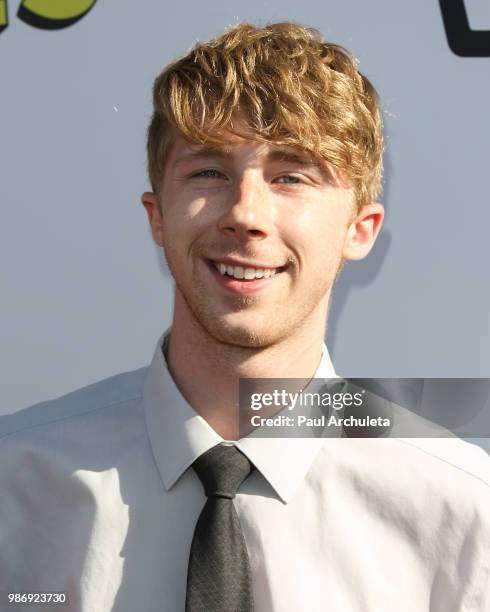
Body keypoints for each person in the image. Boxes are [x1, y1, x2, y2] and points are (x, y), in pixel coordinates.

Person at [1, 20, 489, 612]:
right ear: (158, 217)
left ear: (360, 231)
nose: (245, 214)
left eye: (291, 177)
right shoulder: (16, 487)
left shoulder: (462, 509)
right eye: (209, 171)